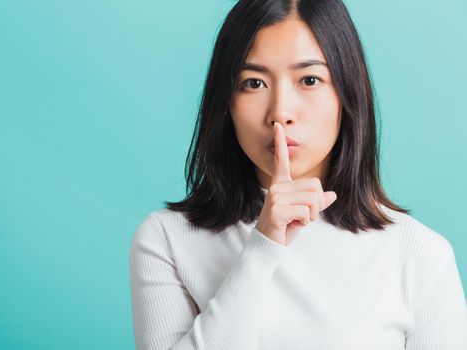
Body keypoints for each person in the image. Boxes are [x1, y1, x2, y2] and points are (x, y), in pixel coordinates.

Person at [129, 0, 467, 349]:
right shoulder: (166, 239)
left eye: (309, 79)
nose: (281, 112)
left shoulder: (419, 254)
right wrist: (262, 246)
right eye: (254, 83)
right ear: (225, 100)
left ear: (347, 93)